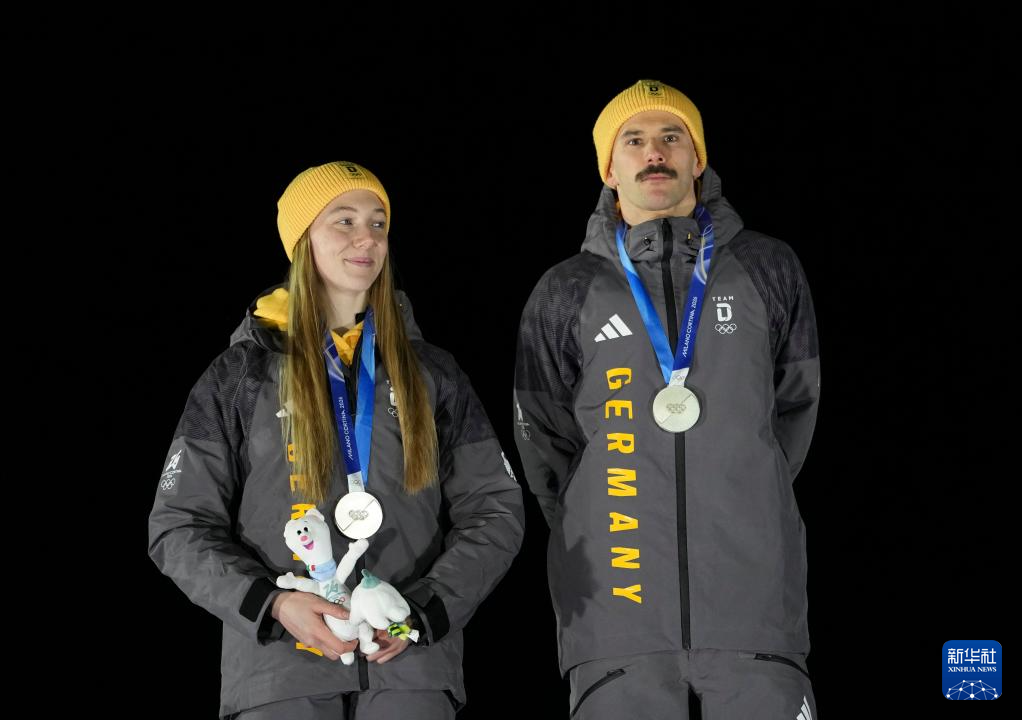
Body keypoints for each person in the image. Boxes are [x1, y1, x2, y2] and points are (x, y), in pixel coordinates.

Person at [150, 161, 524, 719]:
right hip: (280, 674)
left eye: (378, 224)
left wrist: (422, 611)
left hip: (409, 667)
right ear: (303, 240)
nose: (366, 238)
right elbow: (178, 524)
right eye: (343, 221)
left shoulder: (432, 373)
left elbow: (495, 508)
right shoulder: (240, 375)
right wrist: (275, 605)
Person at [513, 79, 821, 719]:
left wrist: (742, 489)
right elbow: (543, 443)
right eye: (634, 140)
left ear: (697, 158)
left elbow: (793, 412)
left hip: (753, 609)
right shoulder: (565, 288)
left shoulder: (768, 265)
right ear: (609, 168)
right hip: (616, 618)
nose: (655, 152)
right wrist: (603, 512)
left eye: (671, 137)